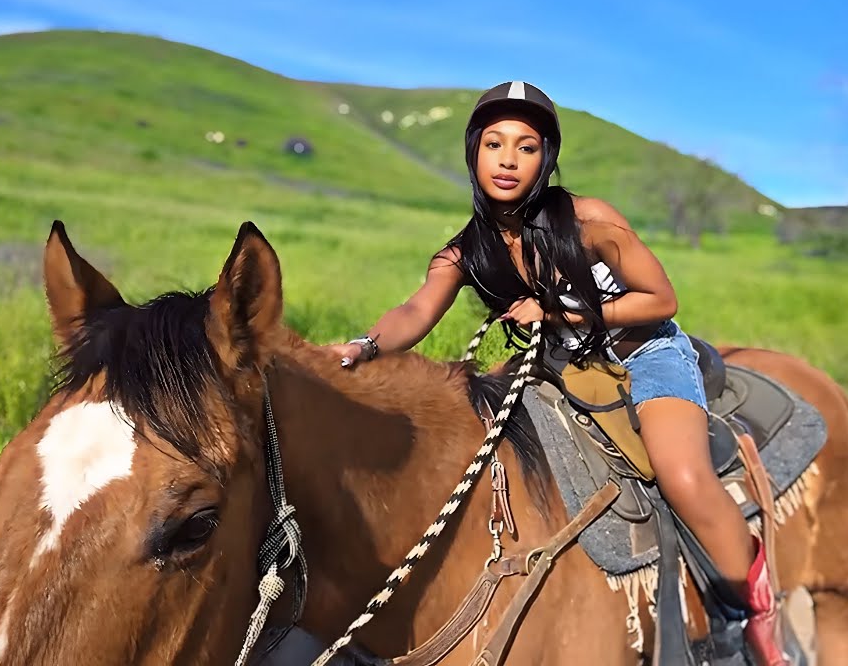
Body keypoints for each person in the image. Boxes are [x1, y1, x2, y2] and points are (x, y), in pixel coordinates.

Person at [326, 81, 785, 665]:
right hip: (559, 362)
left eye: (526, 147)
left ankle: (751, 608)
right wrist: (365, 346)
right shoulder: (466, 251)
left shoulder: (588, 221)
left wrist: (559, 313)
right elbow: (417, 310)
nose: (508, 160)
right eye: (494, 144)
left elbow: (661, 298)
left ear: (546, 158)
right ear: (474, 153)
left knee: (682, 475)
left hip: (642, 352)